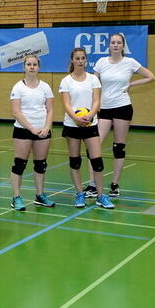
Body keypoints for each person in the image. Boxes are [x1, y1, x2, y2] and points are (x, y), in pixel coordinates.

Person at [84, 33, 155, 198]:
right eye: (113, 42)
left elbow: (151, 77)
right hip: (105, 109)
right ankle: (93, 184)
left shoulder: (130, 62)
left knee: (119, 146)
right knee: (94, 145)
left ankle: (115, 184)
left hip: (123, 107)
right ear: (109, 45)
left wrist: (131, 84)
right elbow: (94, 84)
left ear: (123, 46)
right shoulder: (101, 62)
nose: (115, 45)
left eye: (118, 43)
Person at [60, 47, 113, 210]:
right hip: (72, 124)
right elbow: (66, 104)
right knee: (75, 161)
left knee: (97, 161)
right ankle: (79, 194)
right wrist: (76, 118)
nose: (80, 61)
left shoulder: (93, 79)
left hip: (91, 124)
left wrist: (90, 115)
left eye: (83, 58)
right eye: (77, 58)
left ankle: (100, 195)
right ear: (72, 60)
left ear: (86, 60)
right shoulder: (66, 81)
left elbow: (96, 100)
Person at [9, 53, 55, 210]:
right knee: (19, 165)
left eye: (35, 64)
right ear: (24, 67)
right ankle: (16, 197)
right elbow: (16, 112)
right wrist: (32, 128)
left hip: (43, 131)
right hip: (23, 130)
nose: (32, 67)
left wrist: (46, 128)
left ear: (39, 67)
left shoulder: (46, 87)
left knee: (40, 165)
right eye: (29, 64)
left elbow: (50, 109)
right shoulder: (18, 87)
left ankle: (40, 195)